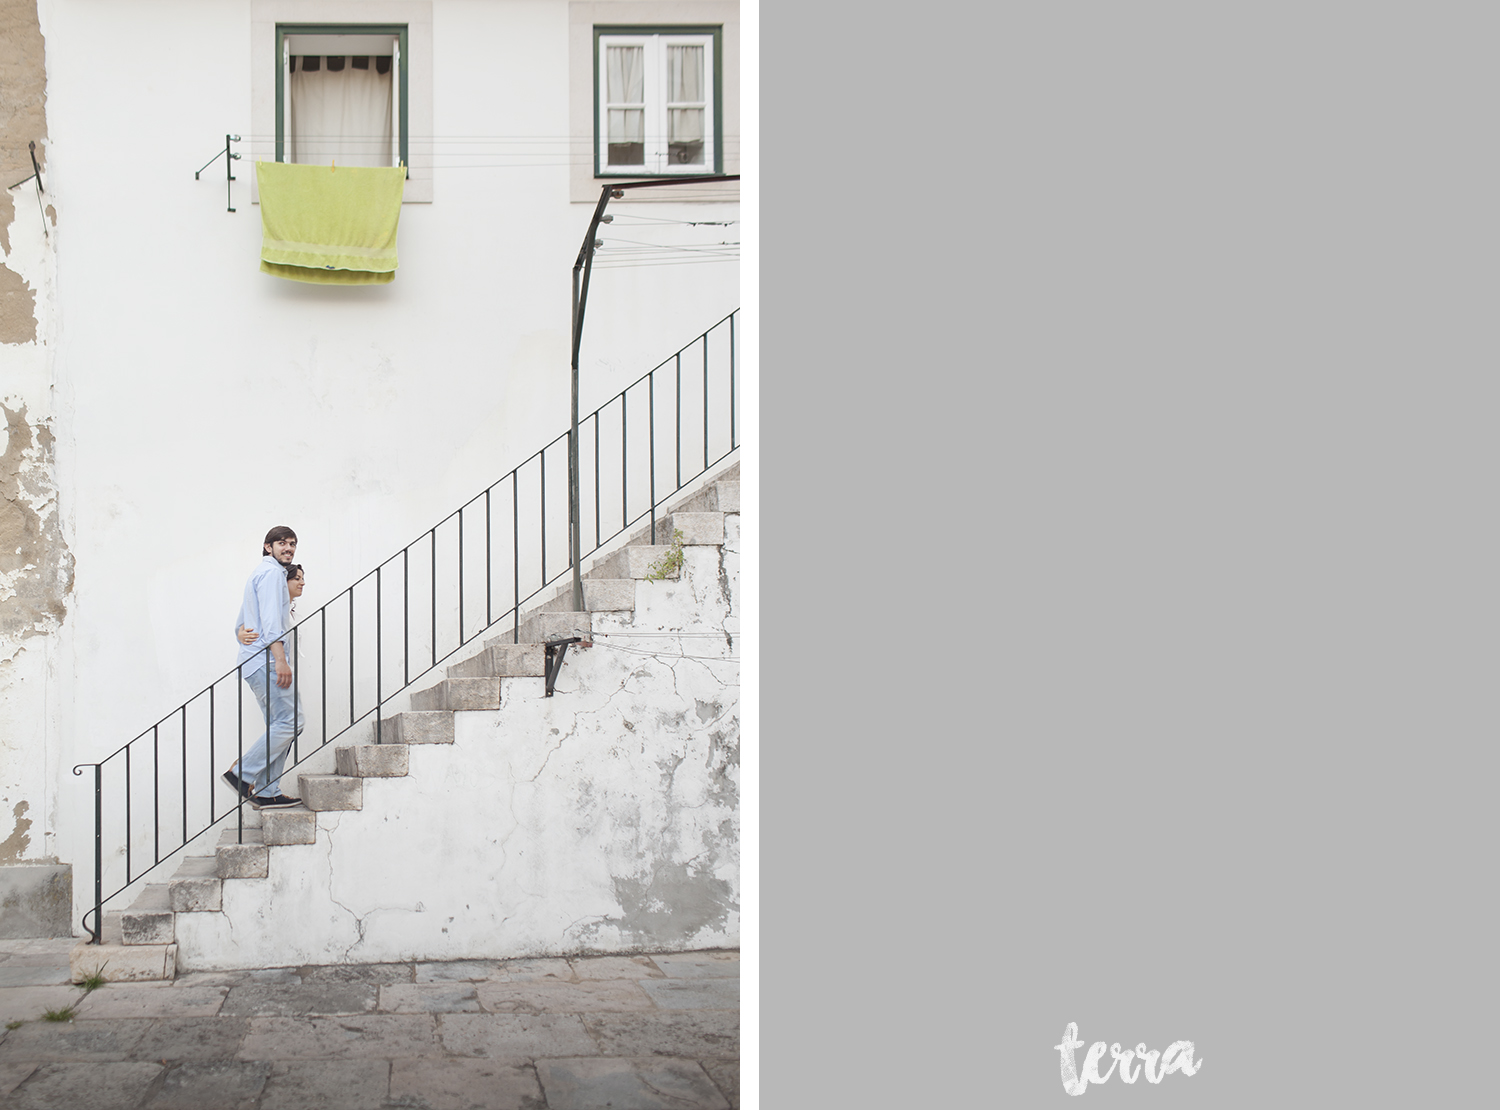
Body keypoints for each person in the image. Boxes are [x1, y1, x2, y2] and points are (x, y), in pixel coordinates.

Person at [222, 527, 304, 809]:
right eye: (282, 543)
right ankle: (241, 774)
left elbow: (242, 623)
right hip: (267, 662)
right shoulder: (270, 575)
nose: (288, 548)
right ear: (268, 547)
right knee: (291, 722)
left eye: (292, 544)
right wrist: (281, 660)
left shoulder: (265, 574)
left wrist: (239, 635)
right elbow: (270, 624)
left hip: (255, 663)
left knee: (282, 725)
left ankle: (268, 791)